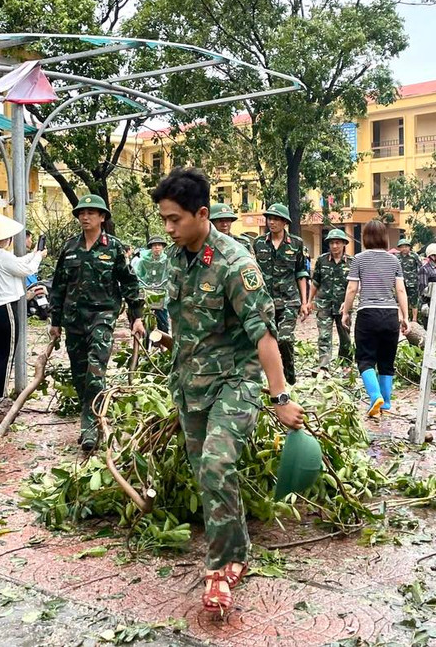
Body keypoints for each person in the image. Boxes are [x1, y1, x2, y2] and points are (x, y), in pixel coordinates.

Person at [150, 168, 304, 615]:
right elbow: (182, 319)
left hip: (235, 382)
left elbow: (264, 334)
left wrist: (280, 398)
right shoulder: (177, 257)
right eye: (163, 219)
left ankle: (220, 567)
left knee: (217, 466)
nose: (168, 228)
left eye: (175, 219)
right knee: (208, 474)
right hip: (190, 383)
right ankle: (236, 548)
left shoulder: (237, 264)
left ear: (202, 214)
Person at [48, 194, 145, 452]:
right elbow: (58, 286)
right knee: (80, 375)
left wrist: (137, 317)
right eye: (82, 212)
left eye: (91, 212)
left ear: (102, 217)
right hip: (73, 320)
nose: (85, 216)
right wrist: (55, 321)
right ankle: (90, 417)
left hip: (102, 317)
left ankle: (90, 426)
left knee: (95, 371)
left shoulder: (113, 248)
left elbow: (129, 282)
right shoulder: (69, 248)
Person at [340, 219, 408, 417]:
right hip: (389, 315)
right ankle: (385, 403)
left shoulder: (359, 259)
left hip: (367, 314)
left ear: (365, 238)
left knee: (365, 359)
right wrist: (404, 317)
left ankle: (375, 395)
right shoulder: (394, 261)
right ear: (385, 238)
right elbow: (401, 290)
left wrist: (346, 313)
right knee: (387, 361)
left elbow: (352, 288)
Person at [0, 214, 46, 400]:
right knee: (6, 357)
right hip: (5, 309)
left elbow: (17, 263)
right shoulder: (2, 257)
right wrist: (38, 257)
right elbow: (27, 270)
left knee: (0, 356)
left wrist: (34, 254)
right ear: (6, 238)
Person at [253, 203, 310, 385]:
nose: (272, 222)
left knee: (285, 339)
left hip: (288, 300)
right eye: (270, 218)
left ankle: (290, 377)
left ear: (285, 222)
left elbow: (301, 272)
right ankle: (269, 380)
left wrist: (304, 302)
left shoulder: (296, 243)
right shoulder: (259, 243)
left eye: (276, 219)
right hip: (264, 302)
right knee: (265, 342)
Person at [312, 229, 353, 366]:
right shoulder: (321, 260)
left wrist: (348, 304)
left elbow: (354, 286)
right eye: (331, 243)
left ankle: (346, 364)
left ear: (343, 244)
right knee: (324, 335)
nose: (334, 246)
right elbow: (315, 282)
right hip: (324, 304)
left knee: (345, 336)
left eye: (337, 242)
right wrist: (308, 301)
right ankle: (324, 366)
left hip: (343, 306)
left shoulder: (351, 263)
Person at [134, 235, 171, 336]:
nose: (157, 247)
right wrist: (138, 281)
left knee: (162, 314)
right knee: (140, 312)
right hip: (146, 289)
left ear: (163, 247)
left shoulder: (167, 260)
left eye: (159, 245)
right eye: (154, 245)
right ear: (151, 247)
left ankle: (164, 341)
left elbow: (170, 273)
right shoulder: (143, 260)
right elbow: (137, 273)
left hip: (161, 290)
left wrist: (168, 281)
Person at [396, 238, 421, 324]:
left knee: (414, 301)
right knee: (400, 300)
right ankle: (401, 318)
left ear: (409, 247)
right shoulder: (396, 257)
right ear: (399, 248)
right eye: (402, 247)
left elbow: (421, 267)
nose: (404, 249)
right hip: (400, 283)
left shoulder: (414, 256)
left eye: (406, 246)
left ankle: (414, 319)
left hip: (412, 282)